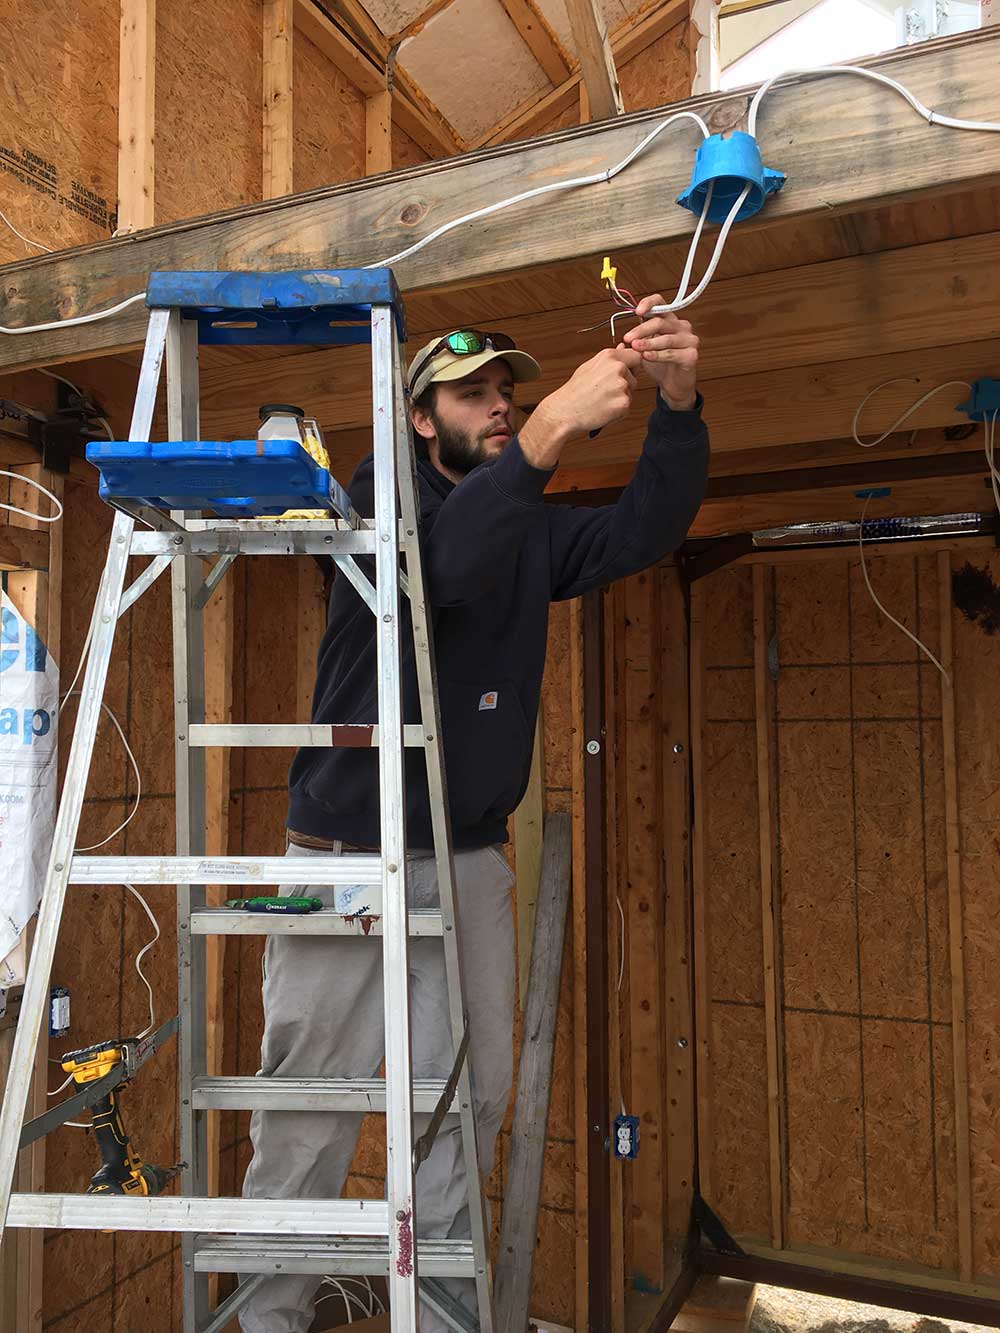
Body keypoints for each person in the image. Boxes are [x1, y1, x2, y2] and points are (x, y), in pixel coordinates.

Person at [240, 296, 709, 1333]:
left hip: (467, 860)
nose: (500, 406)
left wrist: (675, 400)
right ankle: (267, 1318)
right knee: (306, 1109)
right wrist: (547, 436)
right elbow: (439, 570)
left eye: (509, 393)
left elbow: (649, 524)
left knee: (467, 1099)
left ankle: (448, 1320)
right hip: (345, 856)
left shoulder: (530, 525)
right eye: (474, 394)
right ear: (419, 418)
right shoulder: (374, 499)